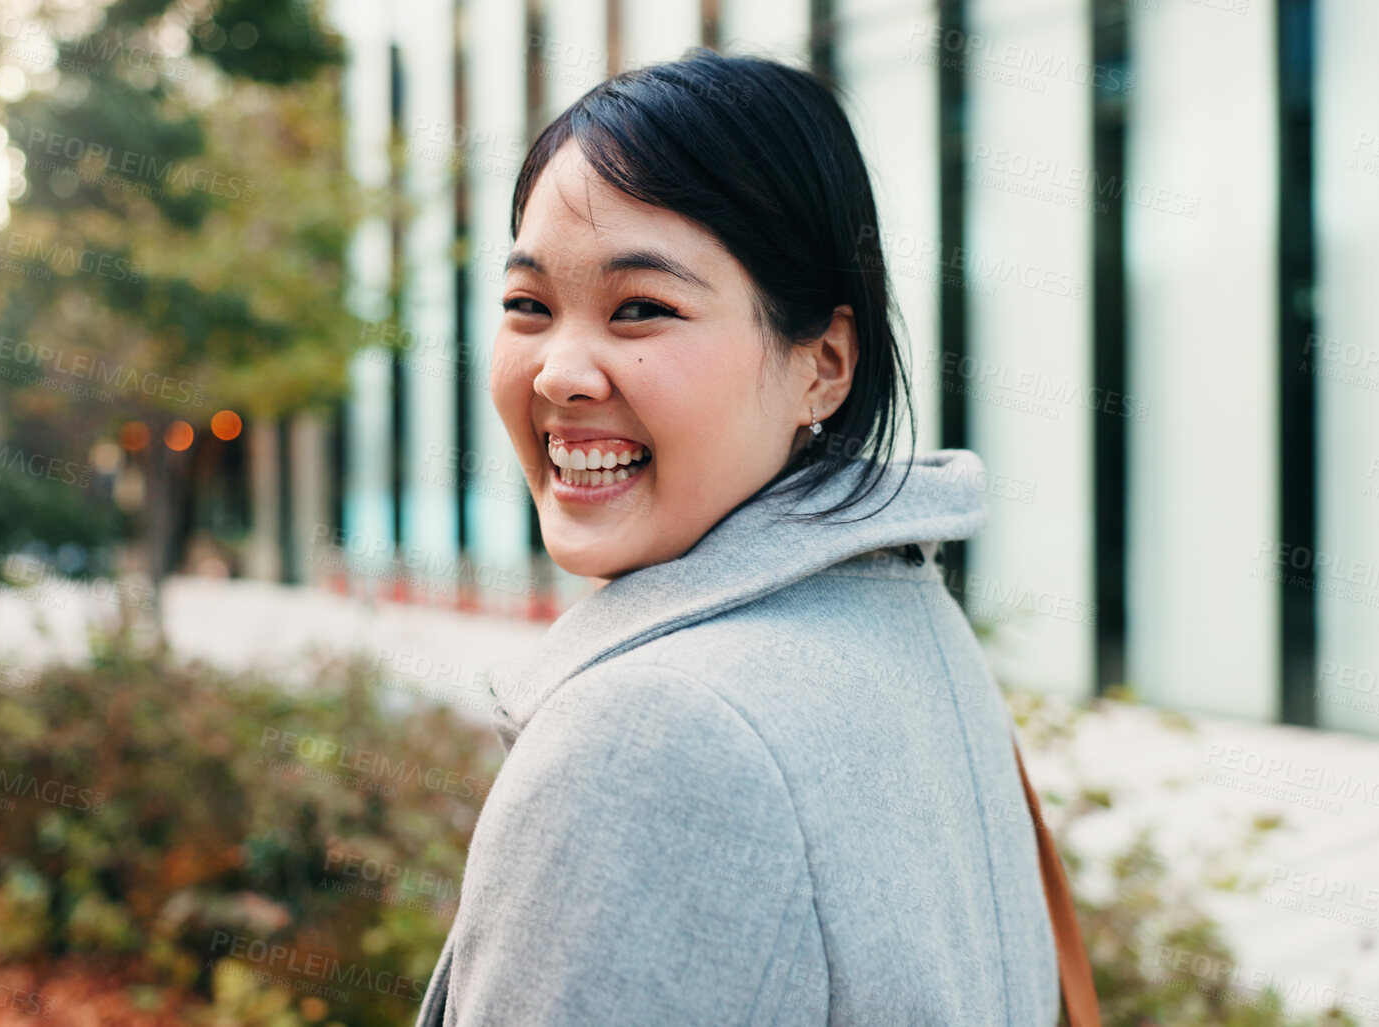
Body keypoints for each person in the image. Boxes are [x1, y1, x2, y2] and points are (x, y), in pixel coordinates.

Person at [412, 49, 1069, 1024]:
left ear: (824, 364)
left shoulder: (653, 733)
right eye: (528, 305)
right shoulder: (904, 614)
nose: (560, 372)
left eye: (642, 308)